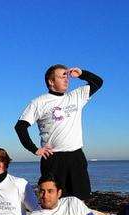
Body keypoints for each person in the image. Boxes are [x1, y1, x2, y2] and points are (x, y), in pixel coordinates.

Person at [15, 64, 103, 200]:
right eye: (62, 76)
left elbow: (98, 82)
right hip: (53, 159)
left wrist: (81, 74)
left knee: (81, 199)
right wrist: (35, 149)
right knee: (53, 201)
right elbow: (20, 127)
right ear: (51, 82)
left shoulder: (76, 96)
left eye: (67, 76)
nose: (66, 79)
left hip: (76, 157)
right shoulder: (39, 102)